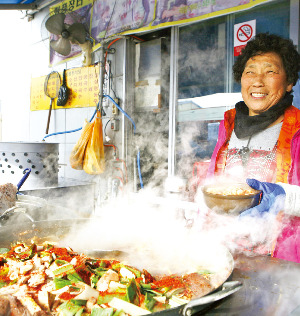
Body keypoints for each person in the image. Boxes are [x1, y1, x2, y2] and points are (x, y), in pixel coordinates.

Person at [205, 33, 300, 262]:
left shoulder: (298, 130)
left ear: (288, 82)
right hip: (225, 253)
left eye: (270, 71)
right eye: (250, 71)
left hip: (279, 262)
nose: (257, 81)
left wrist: (283, 197)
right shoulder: (227, 125)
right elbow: (211, 188)